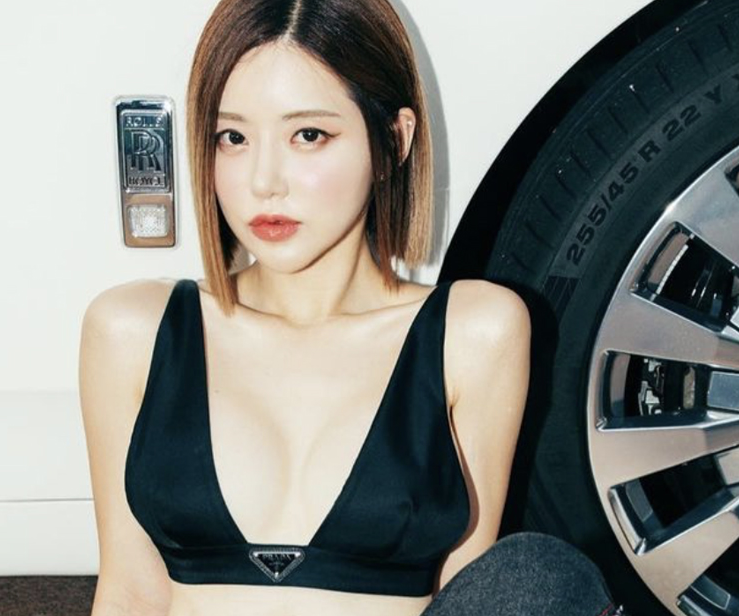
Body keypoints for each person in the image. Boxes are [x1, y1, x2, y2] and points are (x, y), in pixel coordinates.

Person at [78, 0, 628, 614]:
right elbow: (129, 590)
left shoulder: (473, 333)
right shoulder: (134, 329)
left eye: (308, 135)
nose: (264, 181)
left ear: (393, 140)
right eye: (233, 137)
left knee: (540, 575)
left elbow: (470, 593)